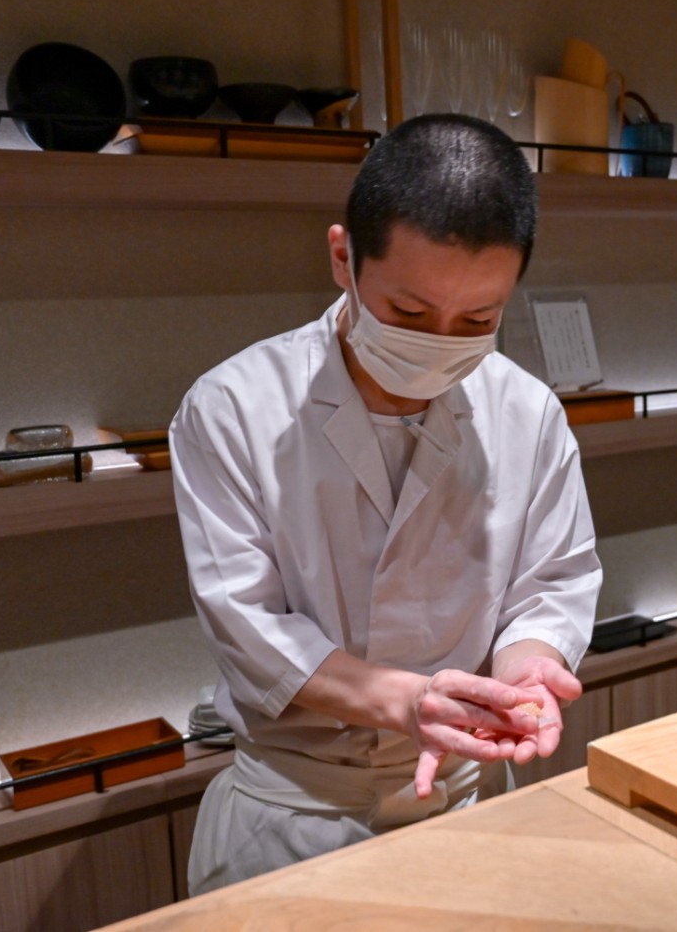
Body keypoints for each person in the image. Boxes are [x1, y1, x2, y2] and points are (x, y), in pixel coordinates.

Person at [168, 113, 602, 896]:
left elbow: (552, 582)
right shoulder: (233, 407)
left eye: (477, 320)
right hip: (292, 821)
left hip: (468, 812)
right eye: (408, 314)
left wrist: (528, 676)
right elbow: (248, 623)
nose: (441, 342)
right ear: (342, 255)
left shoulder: (527, 410)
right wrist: (409, 701)